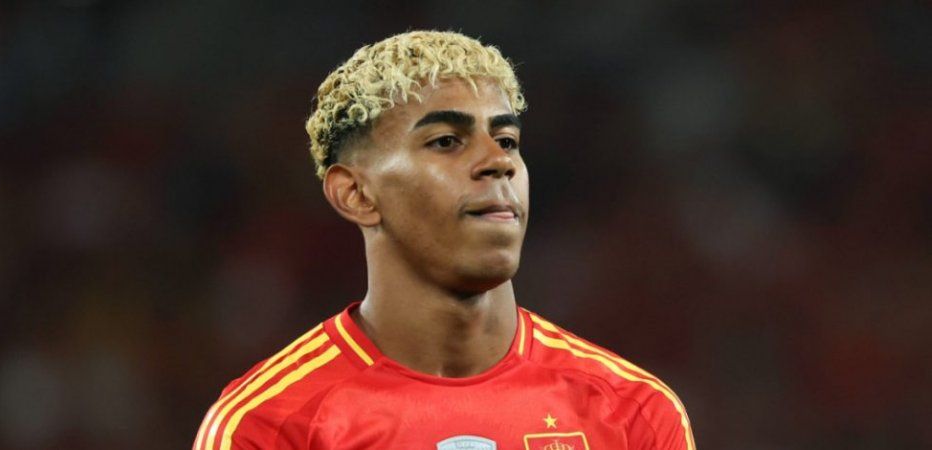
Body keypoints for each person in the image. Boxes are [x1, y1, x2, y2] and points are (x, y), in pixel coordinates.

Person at [193, 30, 695, 450]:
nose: (498, 161)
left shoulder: (632, 414)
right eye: (446, 142)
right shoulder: (270, 426)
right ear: (356, 194)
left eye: (507, 141)